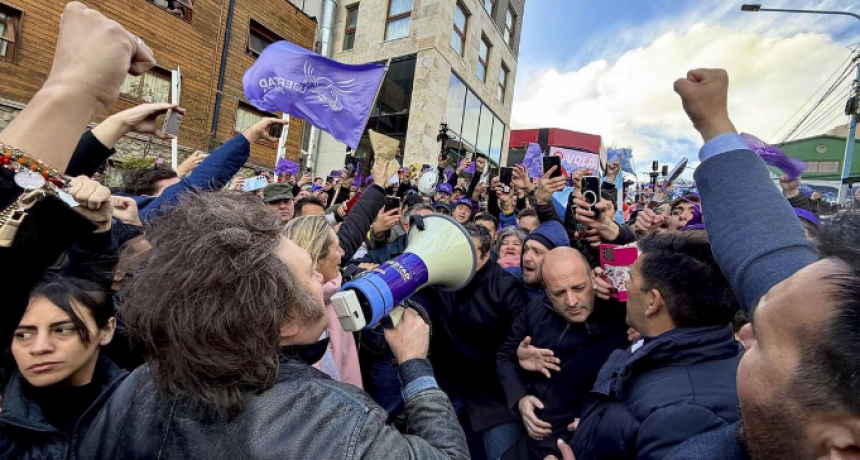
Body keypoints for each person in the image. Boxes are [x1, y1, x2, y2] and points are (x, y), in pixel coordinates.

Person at [76, 192, 469, 460]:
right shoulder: (336, 421)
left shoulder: (137, 385)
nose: (322, 280)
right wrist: (415, 364)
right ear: (283, 321)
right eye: (310, 276)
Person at [659, 69, 860, 460]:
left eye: (763, 341)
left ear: (846, 447)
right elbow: (771, 260)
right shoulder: (814, 317)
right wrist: (714, 124)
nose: (744, 330)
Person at [569, 231, 743, 460]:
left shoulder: (683, 418)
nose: (625, 287)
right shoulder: (702, 353)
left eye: (630, 279)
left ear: (652, 301)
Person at [497, 247, 628, 459]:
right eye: (559, 293)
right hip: (534, 444)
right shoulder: (535, 309)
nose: (572, 301)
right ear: (546, 290)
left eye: (579, 288)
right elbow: (505, 356)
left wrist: (598, 423)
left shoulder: (622, 313)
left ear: (593, 277)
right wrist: (520, 398)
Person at [421, 223, 531, 460]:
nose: (460, 260)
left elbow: (515, 345)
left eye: (469, 254)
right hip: (451, 392)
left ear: (485, 255)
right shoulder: (441, 281)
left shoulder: (506, 289)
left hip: (495, 398)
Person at [0, 276, 124, 458]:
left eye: (62, 330)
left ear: (106, 330)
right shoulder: (6, 415)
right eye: (23, 334)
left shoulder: (142, 410)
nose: (39, 348)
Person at [282, 216, 360, 388]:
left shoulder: (336, 295)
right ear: (318, 259)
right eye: (336, 247)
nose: (342, 253)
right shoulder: (283, 311)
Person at [519, 220, 570, 290]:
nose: (526, 258)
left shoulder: (566, 296)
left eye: (537, 252)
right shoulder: (509, 283)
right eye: (525, 250)